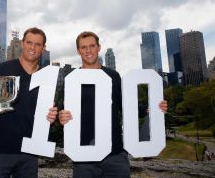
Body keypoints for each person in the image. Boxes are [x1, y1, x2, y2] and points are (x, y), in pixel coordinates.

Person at [58, 31, 168, 178]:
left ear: (99, 47)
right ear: (78, 51)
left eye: (92, 46)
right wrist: (61, 116)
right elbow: (63, 110)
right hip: (84, 155)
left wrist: (153, 108)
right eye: (83, 47)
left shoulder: (113, 76)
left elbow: (126, 105)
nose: (88, 50)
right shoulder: (72, 79)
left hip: (114, 155)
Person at [0, 27, 58, 178]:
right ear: (22, 43)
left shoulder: (47, 78)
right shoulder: (2, 69)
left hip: (29, 155)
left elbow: (49, 115)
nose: (33, 47)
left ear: (43, 48)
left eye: (38, 44)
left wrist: (52, 118)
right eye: (29, 42)